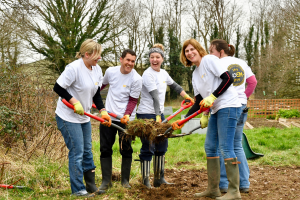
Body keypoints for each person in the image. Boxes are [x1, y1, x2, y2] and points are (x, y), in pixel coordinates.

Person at [178, 38, 242, 200]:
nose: (190, 53)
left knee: (226, 148)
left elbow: (228, 78)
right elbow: (200, 99)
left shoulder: (209, 60)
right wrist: (183, 120)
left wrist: (212, 97)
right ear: (184, 56)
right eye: (186, 51)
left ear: (198, 49)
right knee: (210, 147)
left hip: (228, 105)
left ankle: (234, 191)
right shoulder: (195, 73)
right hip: (215, 110)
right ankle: (213, 189)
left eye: (192, 49)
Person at [53, 39, 111, 197]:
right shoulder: (74, 68)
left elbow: (96, 93)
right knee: (77, 151)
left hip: (84, 116)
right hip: (68, 116)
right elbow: (58, 87)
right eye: (97, 56)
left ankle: (90, 185)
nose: (99, 58)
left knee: (87, 151)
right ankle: (78, 190)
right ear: (87, 54)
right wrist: (74, 101)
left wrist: (103, 110)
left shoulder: (97, 69)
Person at [136, 43, 195, 188]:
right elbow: (155, 96)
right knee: (148, 145)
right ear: (149, 59)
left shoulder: (163, 73)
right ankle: (145, 181)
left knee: (162, 144)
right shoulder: (147, 74)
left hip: (158, 114)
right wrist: (157, 116)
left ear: (162, 59)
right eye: (152, 57)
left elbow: (174, 85)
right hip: (147, 114)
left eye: (157, 57)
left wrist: (186, 96)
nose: (154, 60)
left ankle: (158, 178)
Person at [209, 39, 257, 194]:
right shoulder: (241, 62)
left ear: (221, 51)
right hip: (241, 107)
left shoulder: (218, 64)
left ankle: (223, 183)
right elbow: (252, 82)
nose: (210, 54)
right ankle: (243, 183)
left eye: (212, 51)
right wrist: (244, 97)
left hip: (226, 107)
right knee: (236, 144)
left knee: (222, 146)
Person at [98, 49, 142, 190]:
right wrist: (91, 97)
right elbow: (101, 86)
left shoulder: (136, 78)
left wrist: (128, 114)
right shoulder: (111, 72)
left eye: (133, 61)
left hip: (126, 119)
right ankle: (106, 182)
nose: (130, 63)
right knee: (105, 148)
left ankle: (125, 181)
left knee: (126, 149)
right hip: (108, 116)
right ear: (121, 59)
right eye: (127, 60)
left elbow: (133, 100)